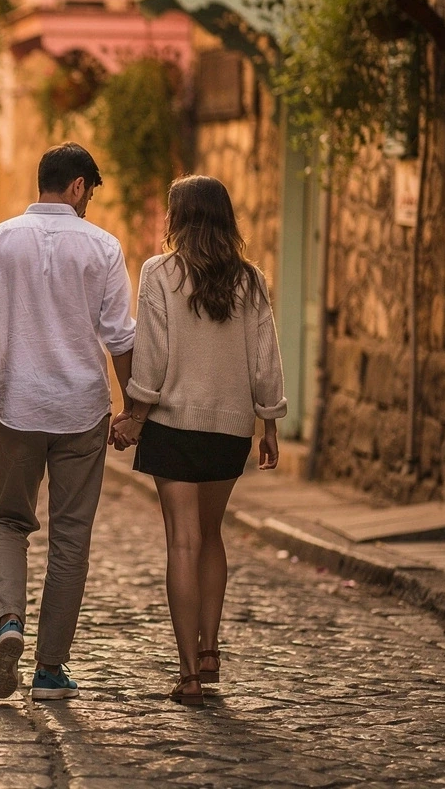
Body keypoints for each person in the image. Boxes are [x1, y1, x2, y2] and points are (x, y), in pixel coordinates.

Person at [0, 143, 136, 701]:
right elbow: (120, 337)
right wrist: (133, 410)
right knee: (70, 539)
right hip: (82, 409)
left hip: (17, 406)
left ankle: (9, 623)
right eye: (90, 193)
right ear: (78, 187)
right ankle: (50, 671)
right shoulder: (103, 247)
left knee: (8, 521)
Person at [110, 175, 285, 705]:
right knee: (212, 537)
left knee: (182, 543)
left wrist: (133, 414)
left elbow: (153, 356)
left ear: (178, 217)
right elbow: (265, 355)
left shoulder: (159, 273)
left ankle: (188, 674)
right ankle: (211, 650)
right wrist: (269, 421)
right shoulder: (251, 280)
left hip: (173, 426)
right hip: (229, 429)